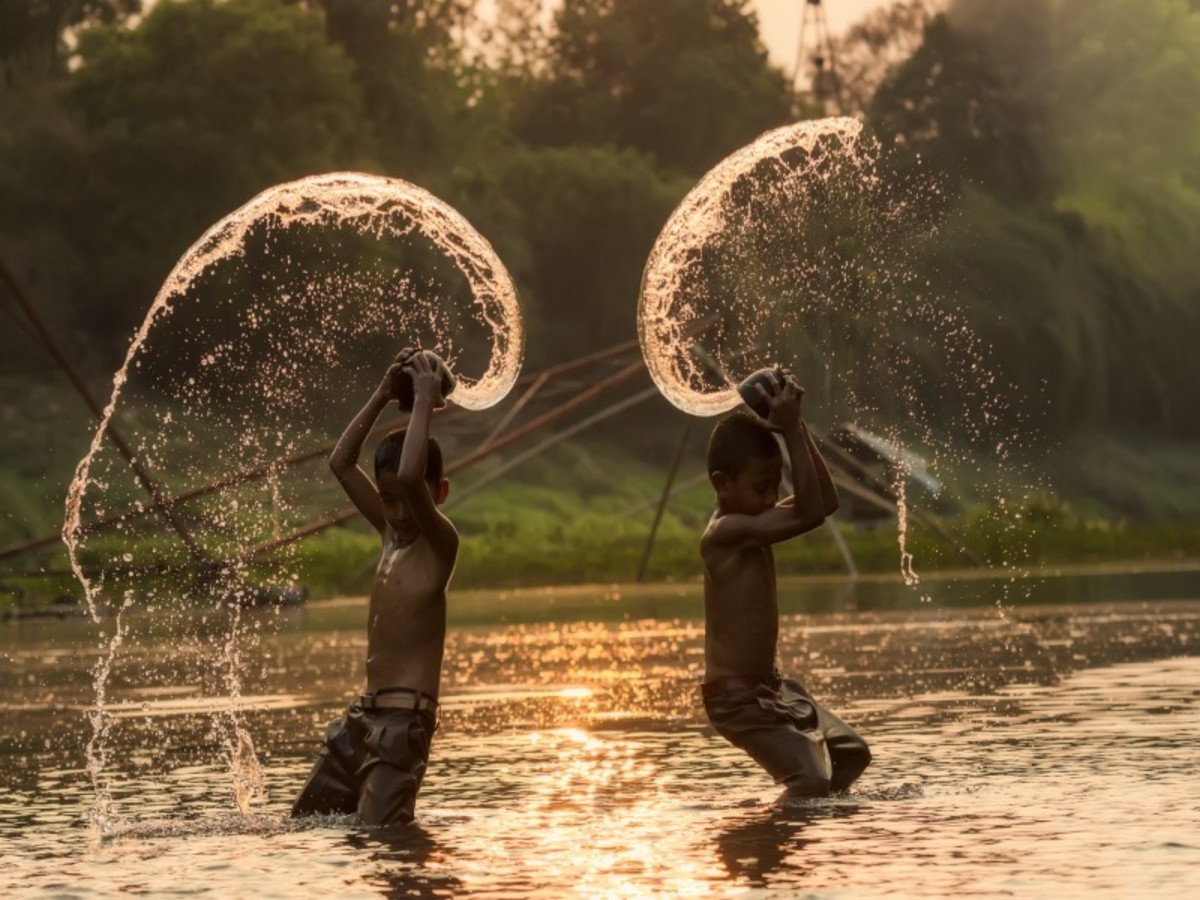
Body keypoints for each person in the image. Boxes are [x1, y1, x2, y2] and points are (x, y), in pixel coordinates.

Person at [292, 349, 458, 826]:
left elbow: (409, 478)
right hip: (363, 718)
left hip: (404, 724)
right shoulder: (389, 533)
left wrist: (424, 398)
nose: (400, 512)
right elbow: (341, 464)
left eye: (410, 503)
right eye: (388, 502)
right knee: (305, 826)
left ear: (438, 495)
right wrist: (384, 394)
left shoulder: (438, 545)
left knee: (384, 841)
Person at [700, 370, 870, 796]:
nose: (772, 499)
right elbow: (810, 513)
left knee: (851, 752)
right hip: (735, 700)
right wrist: (790, 428)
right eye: (762, 488)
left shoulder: (753, 516)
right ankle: (760, 847)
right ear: (722, 485)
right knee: (808, 782)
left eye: (777, 487)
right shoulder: (726, 532)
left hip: (769, 689)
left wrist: (799, 427)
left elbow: (824, 502)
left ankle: (829, 832)